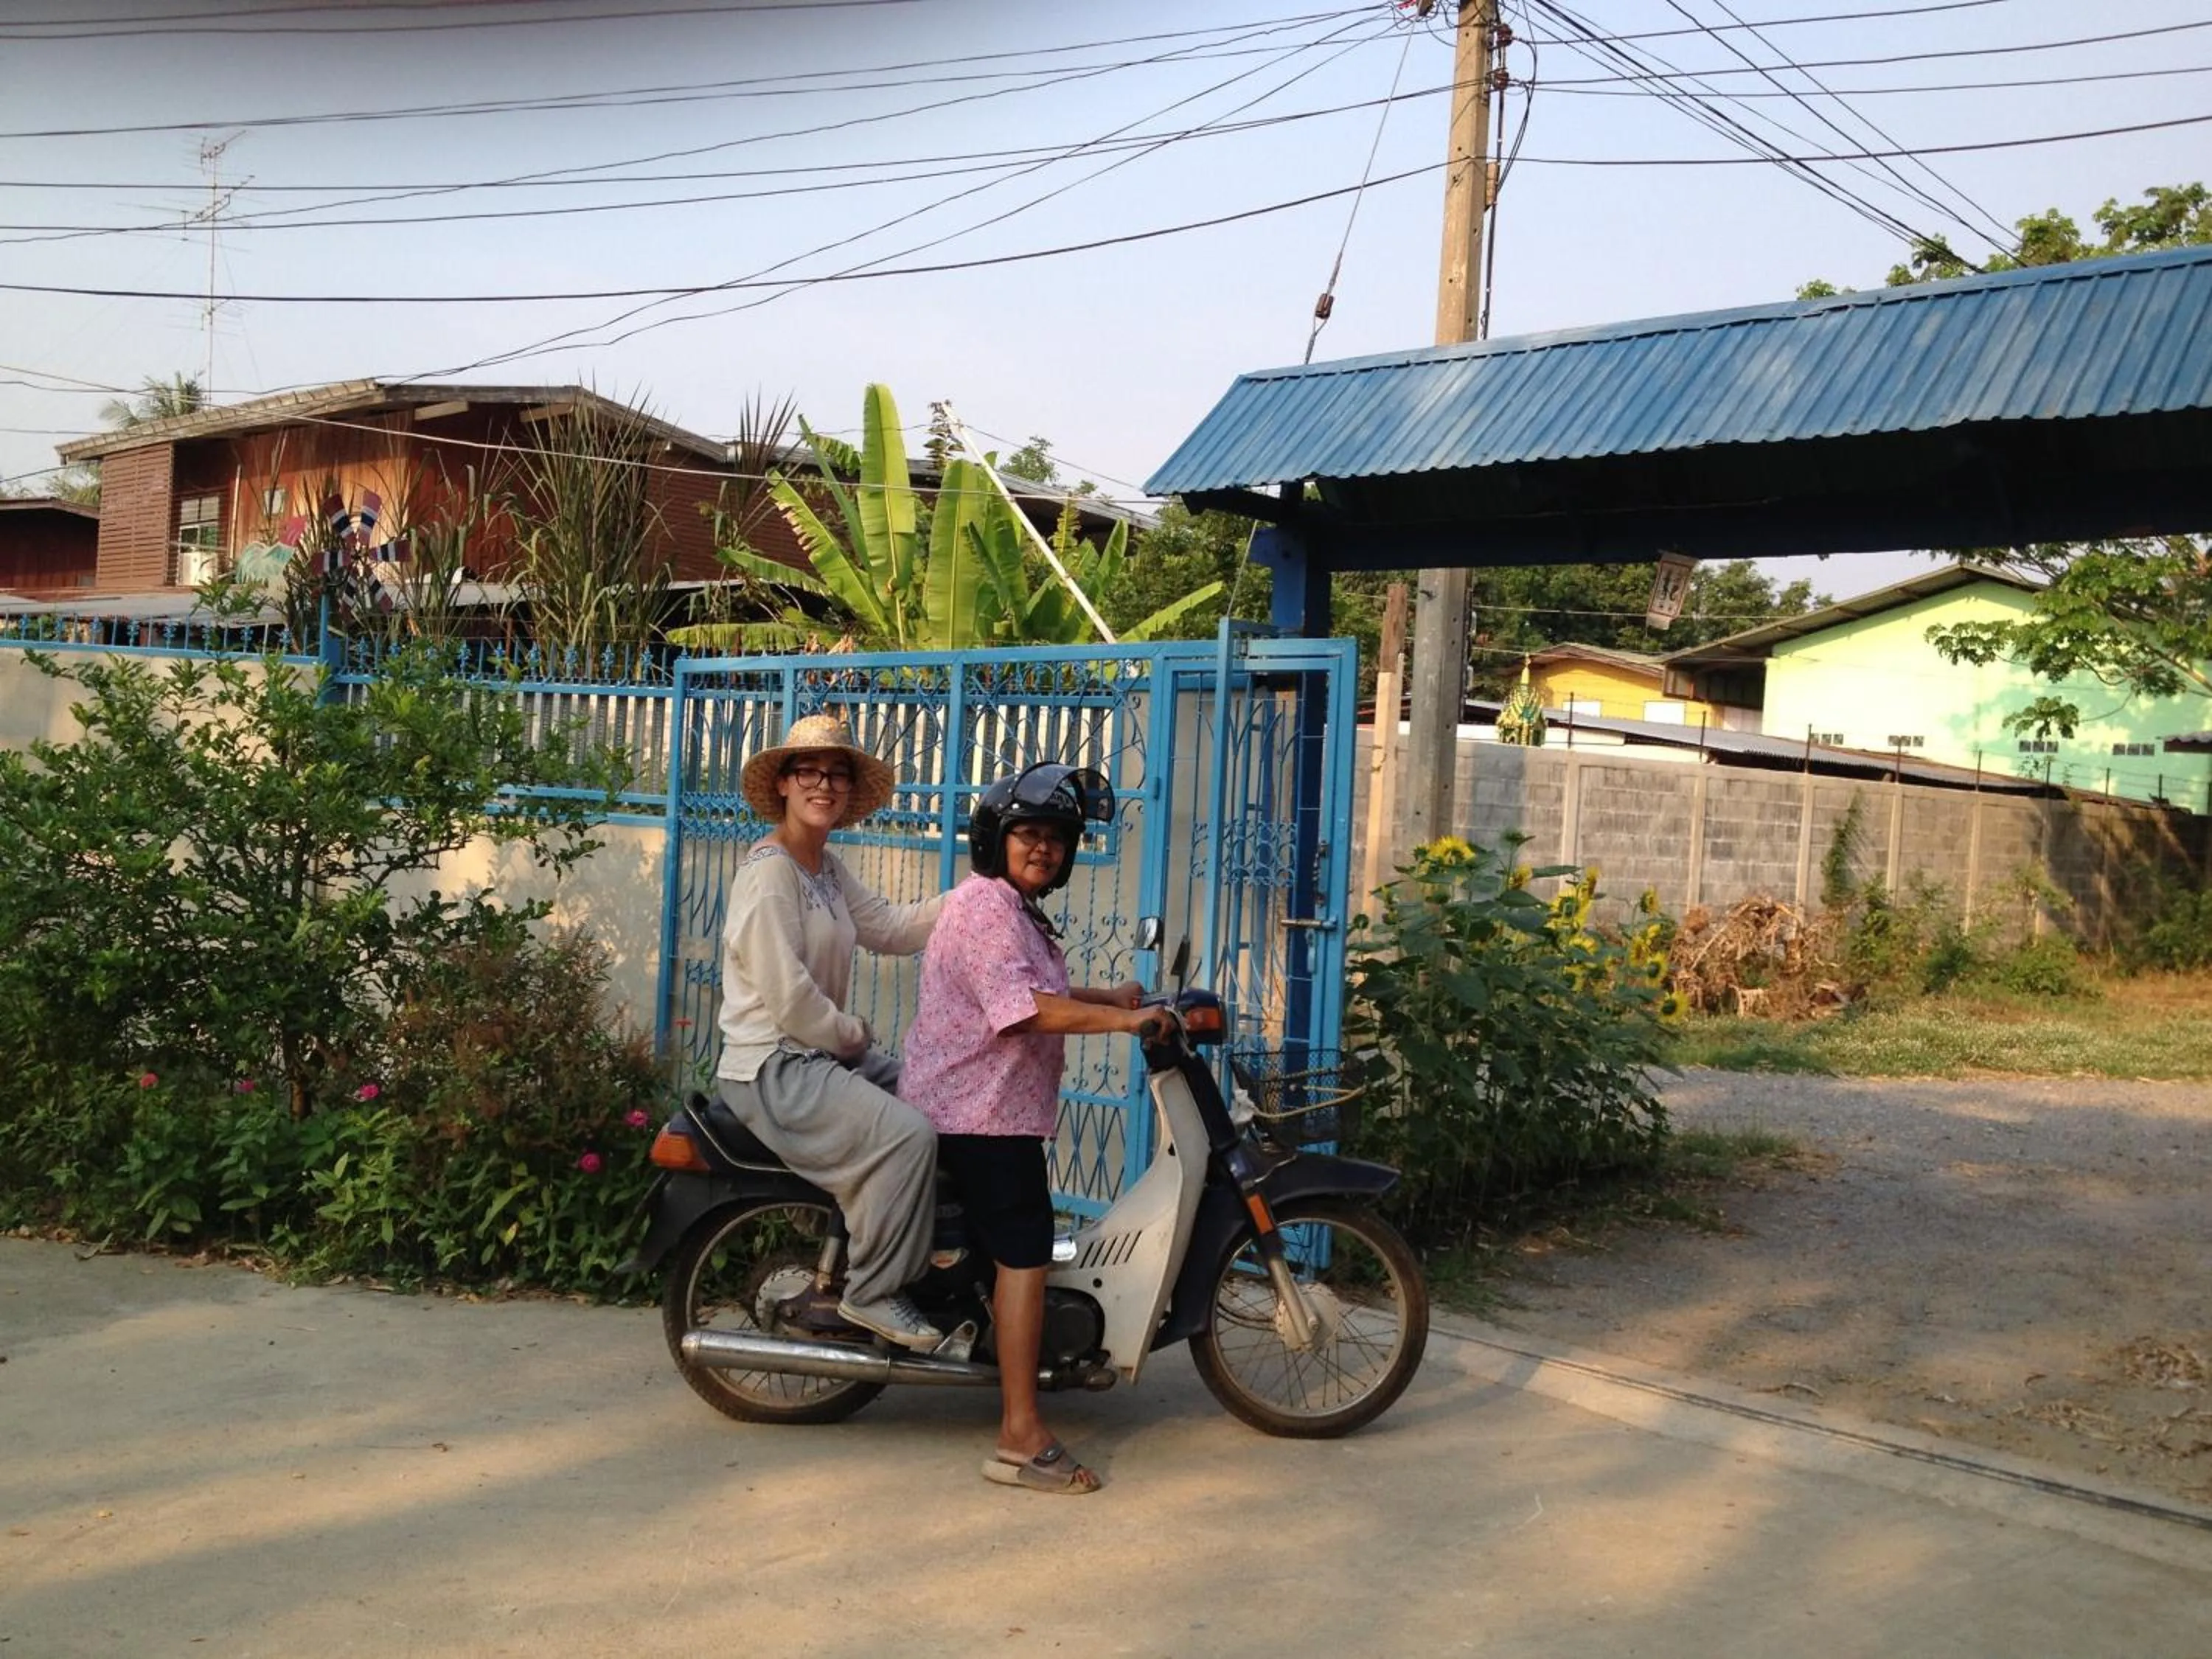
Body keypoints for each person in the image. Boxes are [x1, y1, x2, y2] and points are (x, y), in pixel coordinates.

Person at [900, 762, 1166, 1494]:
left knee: (1013, 1250)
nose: (1044, 849)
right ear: (997, 840)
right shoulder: (987, 907)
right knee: (1025, 1258)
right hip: (975, 1114)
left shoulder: (1011, 911)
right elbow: (1021, 1011)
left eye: (1056, 838)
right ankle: (1019, 1434)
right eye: (1029, 835)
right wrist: (1124, 1019)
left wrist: (1109, 995)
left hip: (992, 1110)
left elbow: (1031, 986)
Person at [714, 712, 947, 1352]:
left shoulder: (825, 868)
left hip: (820, 1056)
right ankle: (871, 1291)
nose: (824, 784)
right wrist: (851, 1034)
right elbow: (788, 999)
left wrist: (980, 897)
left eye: (837, 774)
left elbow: (893, 928)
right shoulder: (770, 875)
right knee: (908, 1136)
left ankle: (936, 1254)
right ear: (784, 784)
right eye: (809, 772)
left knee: (943, 1095)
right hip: (776, 1067)